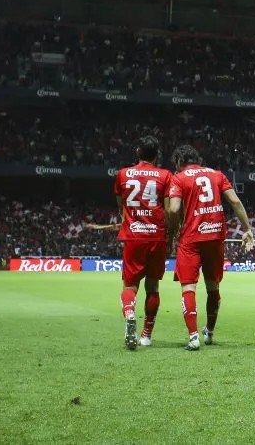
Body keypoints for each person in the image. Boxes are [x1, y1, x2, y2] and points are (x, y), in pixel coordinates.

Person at [88, 136, 173, 350]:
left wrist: (130, 220)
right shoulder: (166, 175)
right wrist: (171, 236)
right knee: (152, 288)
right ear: (157, 155)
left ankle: (129, 314)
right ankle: (146, 335)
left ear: (137, 152)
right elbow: (169, 211)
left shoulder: (123, 174)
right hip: (156, 237)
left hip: (133, 237)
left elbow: (121, 207)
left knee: (129, 285)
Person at [166, 145, 255, 351]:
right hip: (215, 236)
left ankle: (193, 337)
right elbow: (235, 201)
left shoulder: (179, 178)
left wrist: (173, 229)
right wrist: (247, 229)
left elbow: (174, 208)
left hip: (191, 239)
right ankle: (210, 332)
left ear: (179, 161)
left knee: (188, 287)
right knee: (213, 287)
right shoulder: (217, 174)